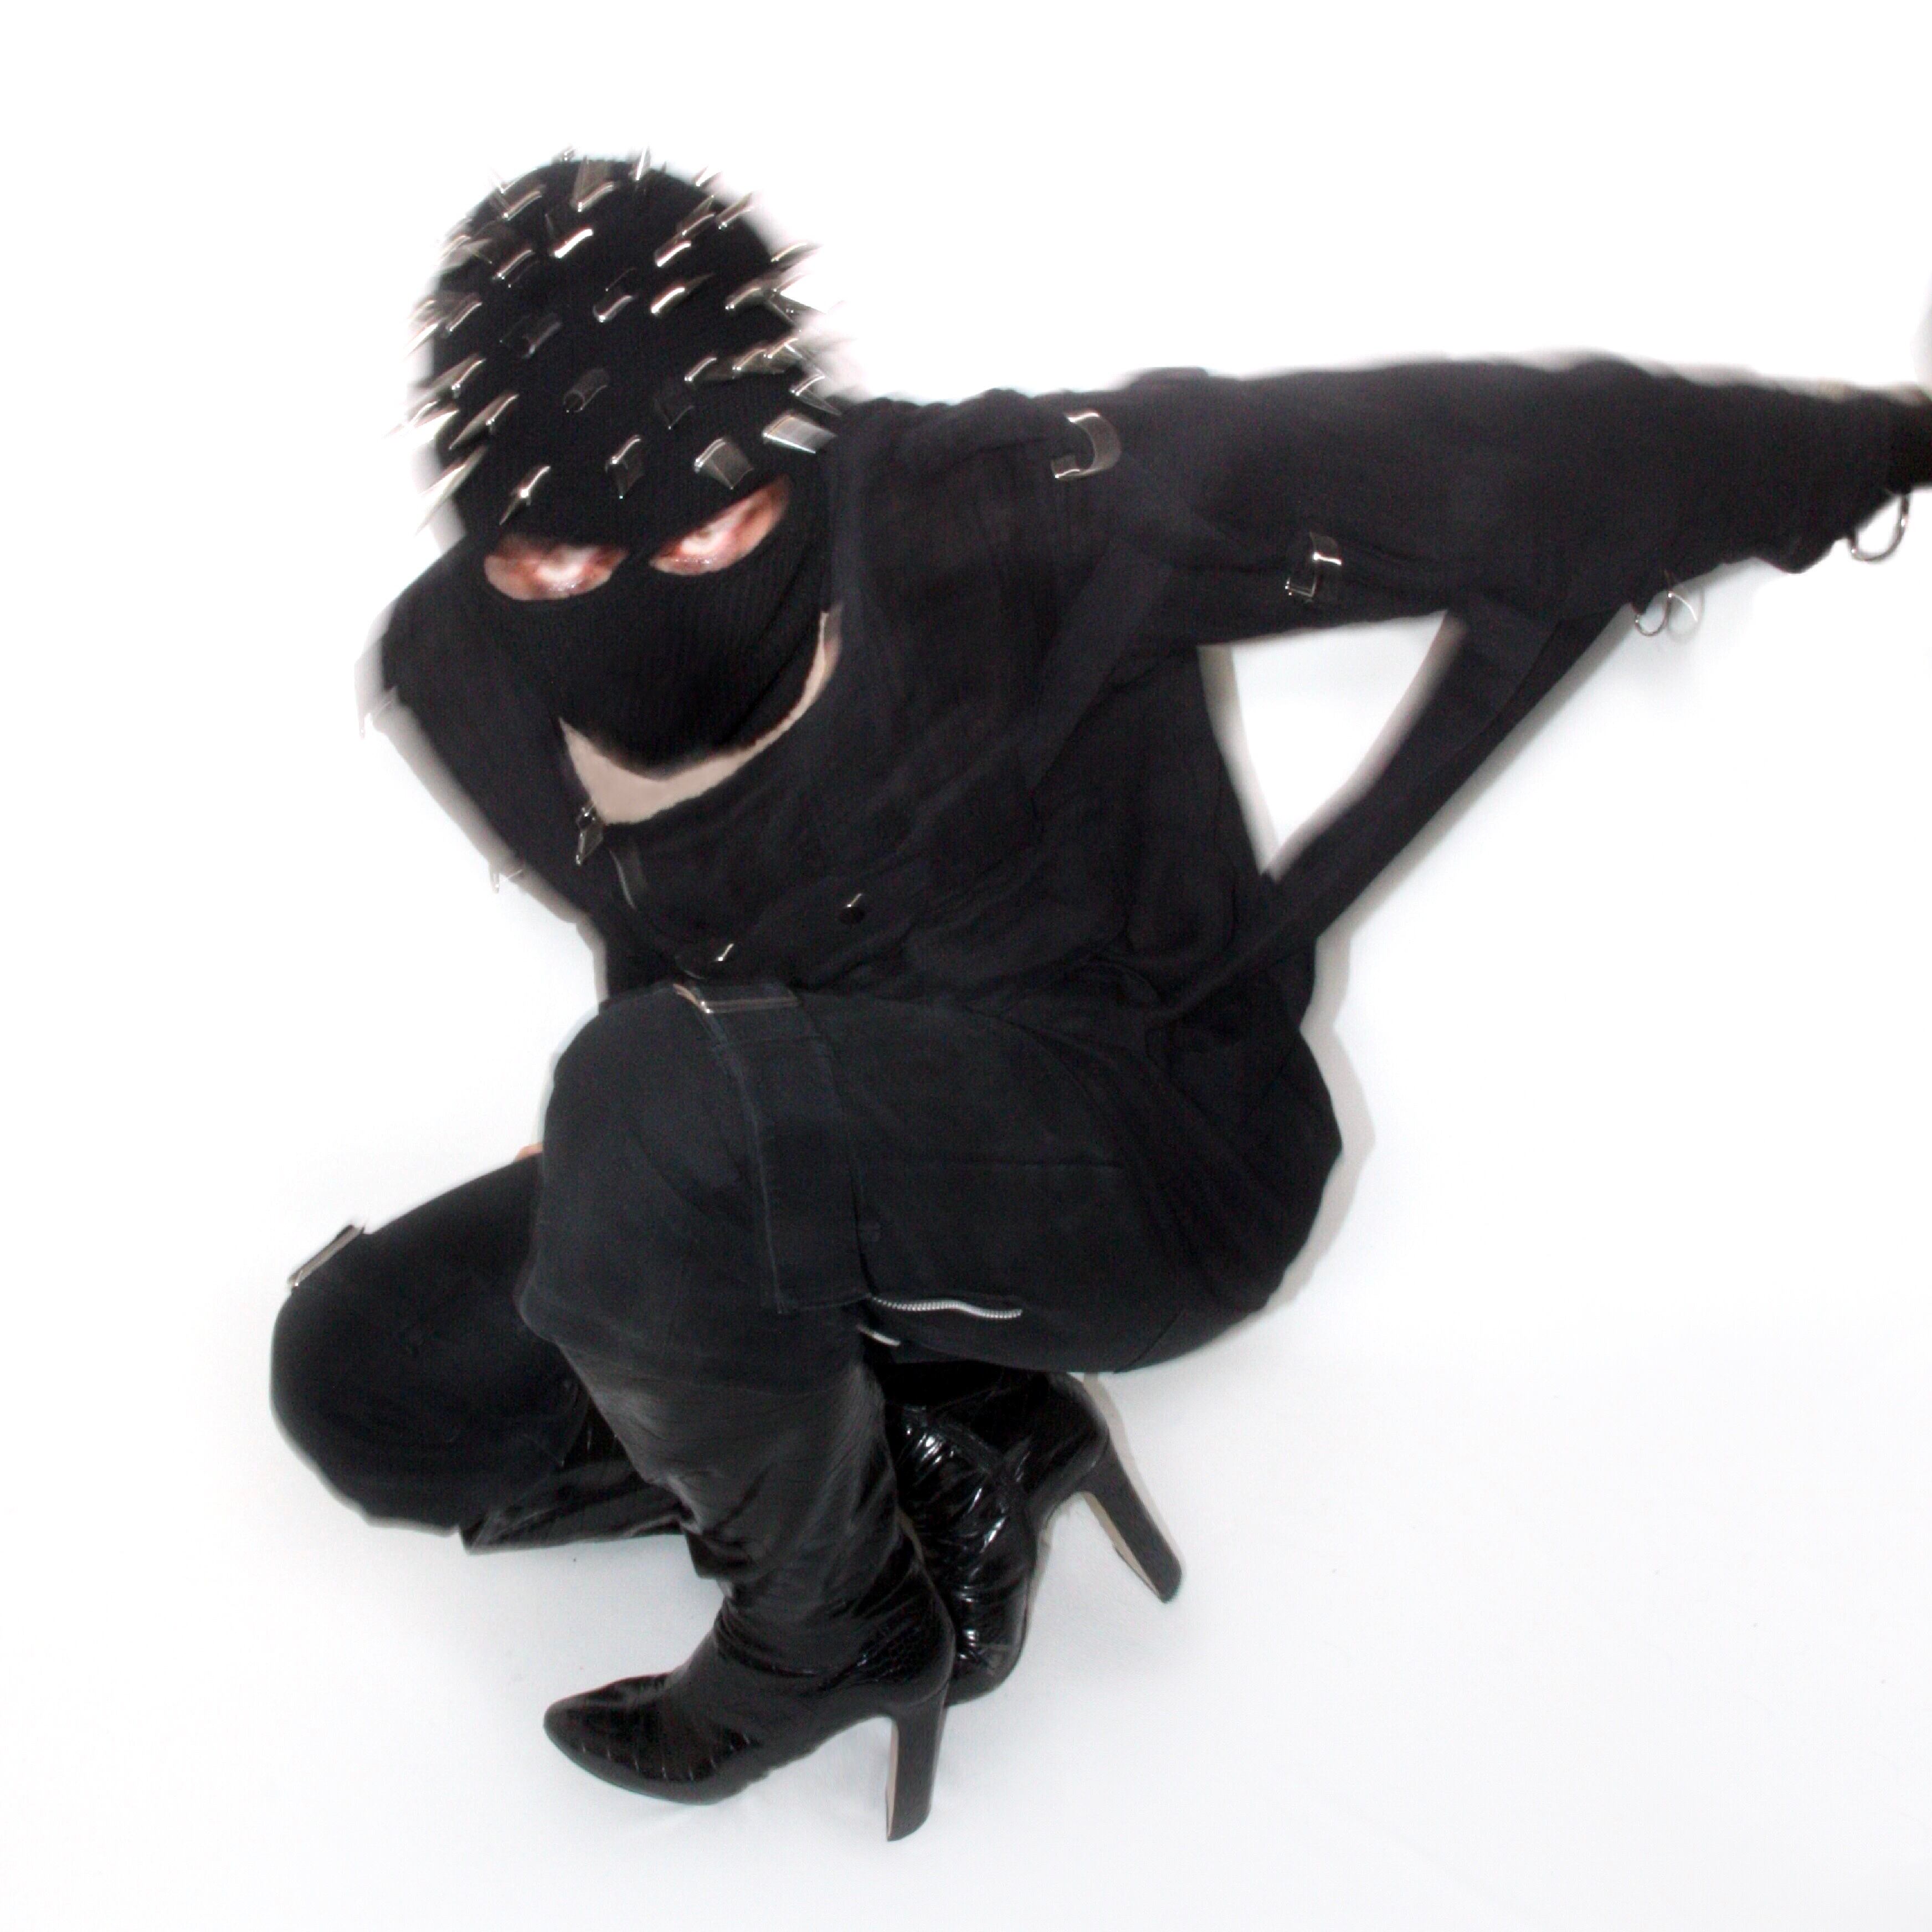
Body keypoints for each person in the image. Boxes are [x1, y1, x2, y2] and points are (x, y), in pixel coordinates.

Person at [270, 154, 1930, 1838]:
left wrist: (1893, 441)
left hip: (1145, 1147)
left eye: (713, 528)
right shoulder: (459, 671)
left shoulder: (1009, 514)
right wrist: (672, 1198)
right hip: (800, 1150)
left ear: (787, 449)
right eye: (554, 562)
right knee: (365, 1374)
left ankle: (835, 1622)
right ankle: (947, 1431)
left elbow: (1543, 452)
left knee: (645, 1105)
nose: (634, 594)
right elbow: (662, 941)